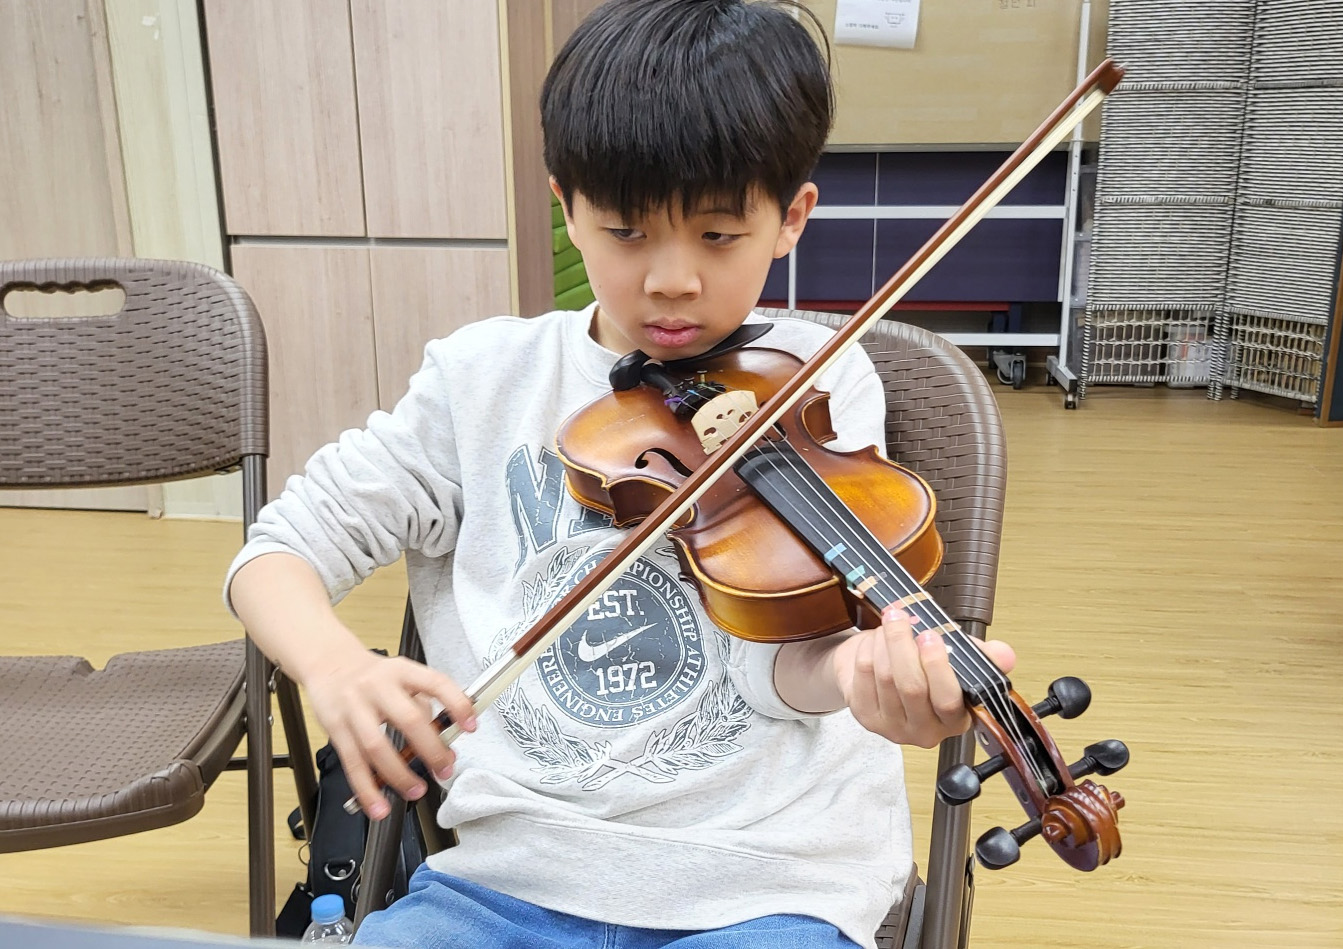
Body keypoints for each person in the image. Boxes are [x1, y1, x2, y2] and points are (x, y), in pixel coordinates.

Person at [225, 2, 1014, 947]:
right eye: (627, 232)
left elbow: (791, 660)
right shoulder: (479, 382)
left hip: (767, 882)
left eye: (718, 236)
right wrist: (335, 665)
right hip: (505, 881)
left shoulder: (817, 382)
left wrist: (865, 675)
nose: (671, 280)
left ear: (790, 218)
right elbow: (277, 551)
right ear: (567, 208)